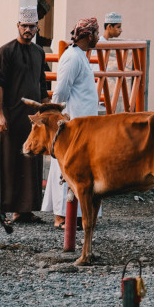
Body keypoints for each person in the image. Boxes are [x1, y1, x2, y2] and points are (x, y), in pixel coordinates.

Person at [0, 6, 50, 224]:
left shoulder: (39, 52)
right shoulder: (5, 51)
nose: (27, 29)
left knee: (30, 162)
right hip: (9, 118)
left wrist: (47, 112)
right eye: (24, 25)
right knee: (6, 163)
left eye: (31, 26)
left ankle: (23, 211)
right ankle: (0, 212)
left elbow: (42, 85)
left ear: (37, 27)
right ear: (17, 26)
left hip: (32, 120)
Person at [41, 17, 100, 229]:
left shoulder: (81, 56)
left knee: (80, 168)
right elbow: (61, 92)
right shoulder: (71, 57)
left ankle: (76, 215)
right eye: (96, 33)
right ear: (89, 35)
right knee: (64, 168)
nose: (99, 37)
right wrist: (57, 120)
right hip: (71, 124)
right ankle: (61, 215)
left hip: (84, 124)